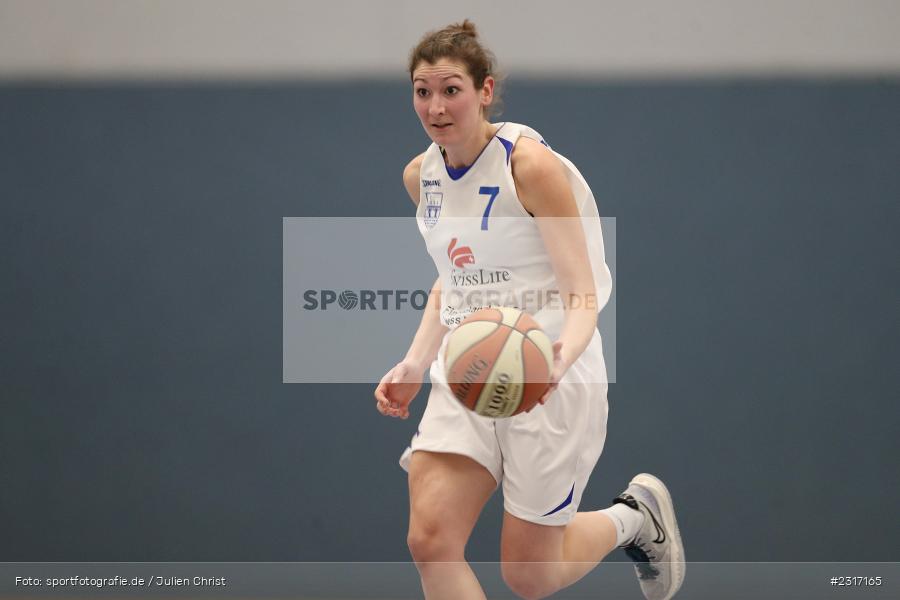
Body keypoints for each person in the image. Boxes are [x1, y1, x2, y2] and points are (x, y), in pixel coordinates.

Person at [374, 20, 685, 600]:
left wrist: (557, 361)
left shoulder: (529, 165)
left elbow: (582, 291)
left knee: (529, 576)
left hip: (549, 368)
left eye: (451, 90)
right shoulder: (422, 177)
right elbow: (455, 280)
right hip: (469, 366)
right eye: (422, 91)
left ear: (484, 91)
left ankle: (634, 518)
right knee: (431, 541)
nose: (436, 107)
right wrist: (415, 361)